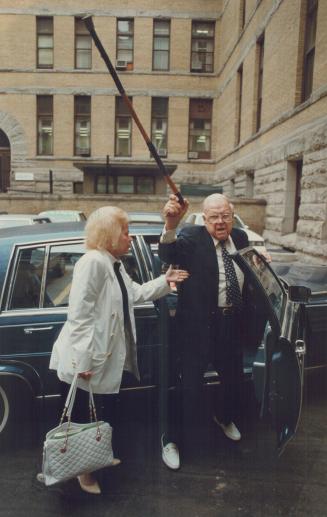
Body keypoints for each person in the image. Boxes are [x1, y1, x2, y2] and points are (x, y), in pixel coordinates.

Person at [48, 206, 189, 494]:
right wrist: (82, 361)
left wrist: (166, 281)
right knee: (85, 418)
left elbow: (134, 293)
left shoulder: (113, 263)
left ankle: (97, 457)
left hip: (104, 358)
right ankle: (83, 474)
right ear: (110, 235)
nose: (129, 236)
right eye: (125, 231)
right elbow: (79, 315)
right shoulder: (93, 263)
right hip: (88, 359)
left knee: (102, 413)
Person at [159, 193, 261, 468]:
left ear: (232, 215)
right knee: (188, 387)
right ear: (205, 219)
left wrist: (260, 260)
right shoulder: (191, 239)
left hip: (230, 325)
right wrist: (170, 224)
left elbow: (248, 271)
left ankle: (224, 417)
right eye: (214, 217)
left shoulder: (239, 238)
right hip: (197, 329)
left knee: (234, 381)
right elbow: (168, 253)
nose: (220, 222)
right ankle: (171, 440)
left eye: (225, 215)